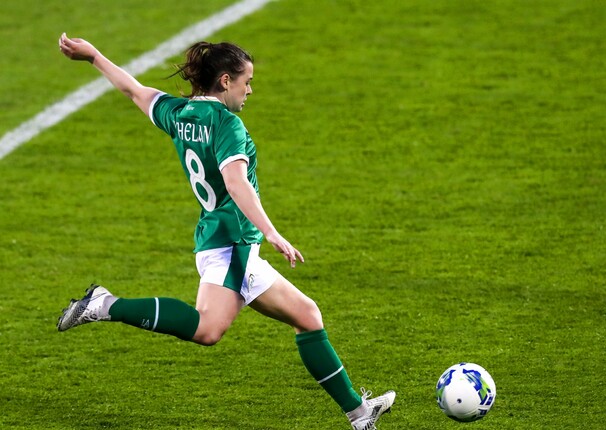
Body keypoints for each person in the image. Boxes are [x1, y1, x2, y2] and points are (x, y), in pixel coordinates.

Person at [56, 33, 395, 429]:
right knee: (207, 329)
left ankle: (359, 414)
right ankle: (104, 304)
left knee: (307, 315)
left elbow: (133, 90)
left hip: (224, 240)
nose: (249, 90)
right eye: (246, 81)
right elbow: (236, 182)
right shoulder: (227, 124)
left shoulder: (179, 113)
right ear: (225, 81)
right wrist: (272, 232)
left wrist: (94, 56)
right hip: (232, 242)